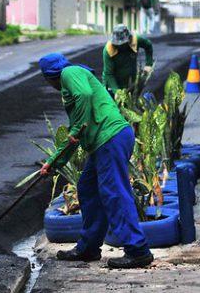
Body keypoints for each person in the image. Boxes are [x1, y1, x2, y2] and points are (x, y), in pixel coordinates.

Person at [38, 53, 154, 269]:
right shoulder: (74, 76)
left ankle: (138, 250)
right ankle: (89, 248)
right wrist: (53, 164)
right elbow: (74, 137)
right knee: (88, 188)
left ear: (49, 76)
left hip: (110, 137)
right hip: (105, 142)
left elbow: (84, 95)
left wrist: (78, 126)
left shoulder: (69, 73)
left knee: (115, 192)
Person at [102, 24, 153, 94]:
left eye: (123, 43)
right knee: (113, 103)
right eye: (118, 44)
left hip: (130, 81)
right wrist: (117, 92)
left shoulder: (135, 40)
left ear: (129, 39)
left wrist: (149, 64)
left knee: (132, 101)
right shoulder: (108, 49)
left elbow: (148, 45)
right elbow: (109, 74)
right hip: (112, 83)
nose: (120, 46)